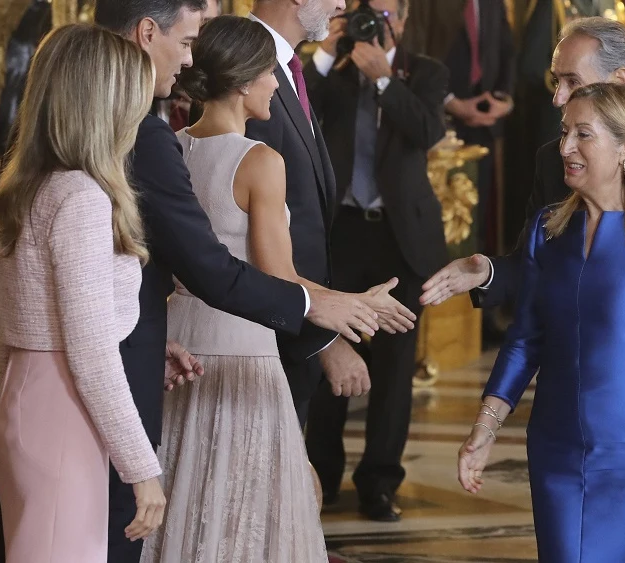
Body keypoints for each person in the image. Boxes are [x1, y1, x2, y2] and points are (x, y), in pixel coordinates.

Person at [93, 1, 405, 560]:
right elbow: (276, 276)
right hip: (244, 350)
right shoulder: (261, 160)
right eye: (267, 73)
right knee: (244, 520)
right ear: (241, 83)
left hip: (179, 343)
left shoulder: (171, 143)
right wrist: (350, 305)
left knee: (184, 505)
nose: (274, 83)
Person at [457, 82, 625, 562]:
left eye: (583, 134)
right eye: (564, 133)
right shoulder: (546, 228)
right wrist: (485, 427)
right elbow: (524, 340)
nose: (566, 147)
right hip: (556, 450)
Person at [420, 17, 625, 311]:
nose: (558, 98)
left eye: (572, 82)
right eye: (556, 81)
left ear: (619, 81)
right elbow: (532, 266)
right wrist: (488, 273)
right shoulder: (552, 159)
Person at [0, 24, 164, 562]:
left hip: (22, 398)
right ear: (105, 105)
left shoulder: (24, 186)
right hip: (63, 410)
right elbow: (89, 352)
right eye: (135, 103)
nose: (139, 120)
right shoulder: (82, 196)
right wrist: (143, 469)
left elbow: (9, 329)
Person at [302, 0, 450, 522]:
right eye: (368, 11)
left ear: (404, 21)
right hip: (338, 234)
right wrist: (324, 53)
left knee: (392, 371)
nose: (375, 21)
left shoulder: (425, 72)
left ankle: (379, 484)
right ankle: (321, 475)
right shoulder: (332, 70)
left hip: (399, 239)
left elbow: (429, 132)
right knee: (327, 357)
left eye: (386, 14)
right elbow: (299, 112)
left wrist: (386, 80)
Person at [246, 0, 397, 430]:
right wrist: (321, 340)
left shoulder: (286, 67)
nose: (342, 5)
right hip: (268, 339)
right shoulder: (248, 70)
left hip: (291, 330)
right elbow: (247, 233)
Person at [403, 0, 516, 253]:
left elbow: (506, 48)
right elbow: (414, 51)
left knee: (476, 222)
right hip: (436, 125)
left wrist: (503, 99)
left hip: (485, 123)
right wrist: (450, 102)